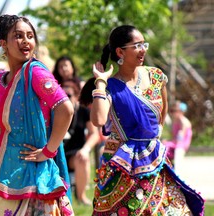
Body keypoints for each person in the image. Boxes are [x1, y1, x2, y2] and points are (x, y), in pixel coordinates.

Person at [0, 14, 74, 216]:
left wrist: (49, 151)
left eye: (30, 35)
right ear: (4, 44)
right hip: (3, 169)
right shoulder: (1, 80)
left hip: (32, 171)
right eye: (18, 36)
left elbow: (65, 109)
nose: (26, 40)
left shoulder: (36, 73)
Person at [80, 25, 204, 215]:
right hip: (123, 163)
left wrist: (155, 136)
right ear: (120, 51)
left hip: (155, 159)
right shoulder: (111, 86)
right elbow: (98, 119)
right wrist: (100, 82)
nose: (143, 49)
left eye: (144, 44)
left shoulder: (156, 76)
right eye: (137, 45)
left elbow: (162, 111)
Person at [61, 79, 100, 206]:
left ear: (76, 96)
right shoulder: (56, 111)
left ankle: (81, 196)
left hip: (74, 154)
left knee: (83, 158)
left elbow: (94, 134)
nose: (65, 98)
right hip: (56, 153)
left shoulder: (83, 111)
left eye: (68, 96)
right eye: (62, 95)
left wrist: (86, 149)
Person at [163, 101, 192, 174]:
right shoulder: (175, 121)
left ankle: (176, 171)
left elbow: (180, 137)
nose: (172, 113)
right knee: (164, 146)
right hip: (176, 141)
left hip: (182, 143)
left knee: (174, 149)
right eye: (171, 111)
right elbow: (174, 136)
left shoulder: (183, 121)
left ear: (181, 111)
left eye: (174, 111)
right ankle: (167, 166)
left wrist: (171, 142)